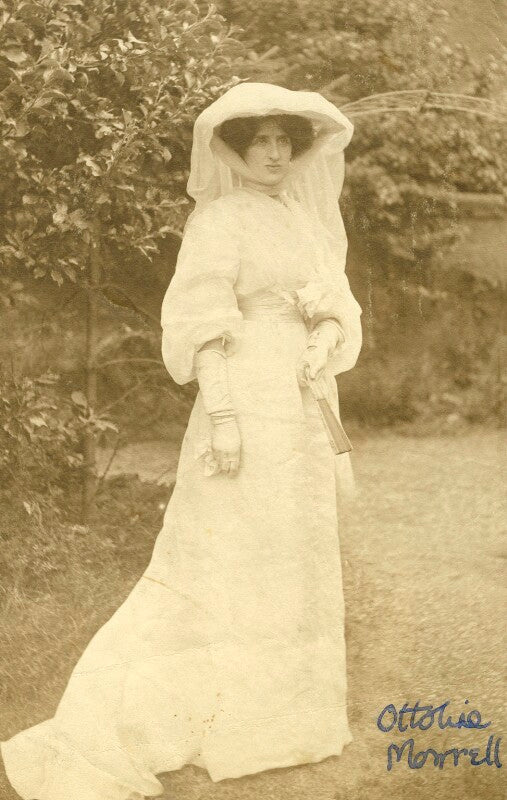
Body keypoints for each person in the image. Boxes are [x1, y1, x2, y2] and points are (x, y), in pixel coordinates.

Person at [1, 82, 362, 800]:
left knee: (289, 548)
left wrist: (321, 339)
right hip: (244, 397)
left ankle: (278, 720)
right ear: (234, 151)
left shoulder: (301, 220)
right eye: (257, 140)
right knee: (224, 550)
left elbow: (333, 299)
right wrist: (223, 418)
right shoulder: (220, 220)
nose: (273, 152)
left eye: (283, 140)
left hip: (300, 397)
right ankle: (170, 713)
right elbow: (202, 321)